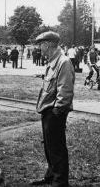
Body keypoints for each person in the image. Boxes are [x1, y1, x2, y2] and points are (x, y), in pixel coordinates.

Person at [31, 31, 75, 187]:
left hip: (55, 111)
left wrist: (58, 109)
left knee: (56, 147)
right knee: (49, 145)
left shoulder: (64, 62)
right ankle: (51, 176)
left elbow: (65, 89)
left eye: (40, 45)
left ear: (47, 44)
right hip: (47, 110)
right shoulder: (52, 62)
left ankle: (60, 181)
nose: (39, 49)